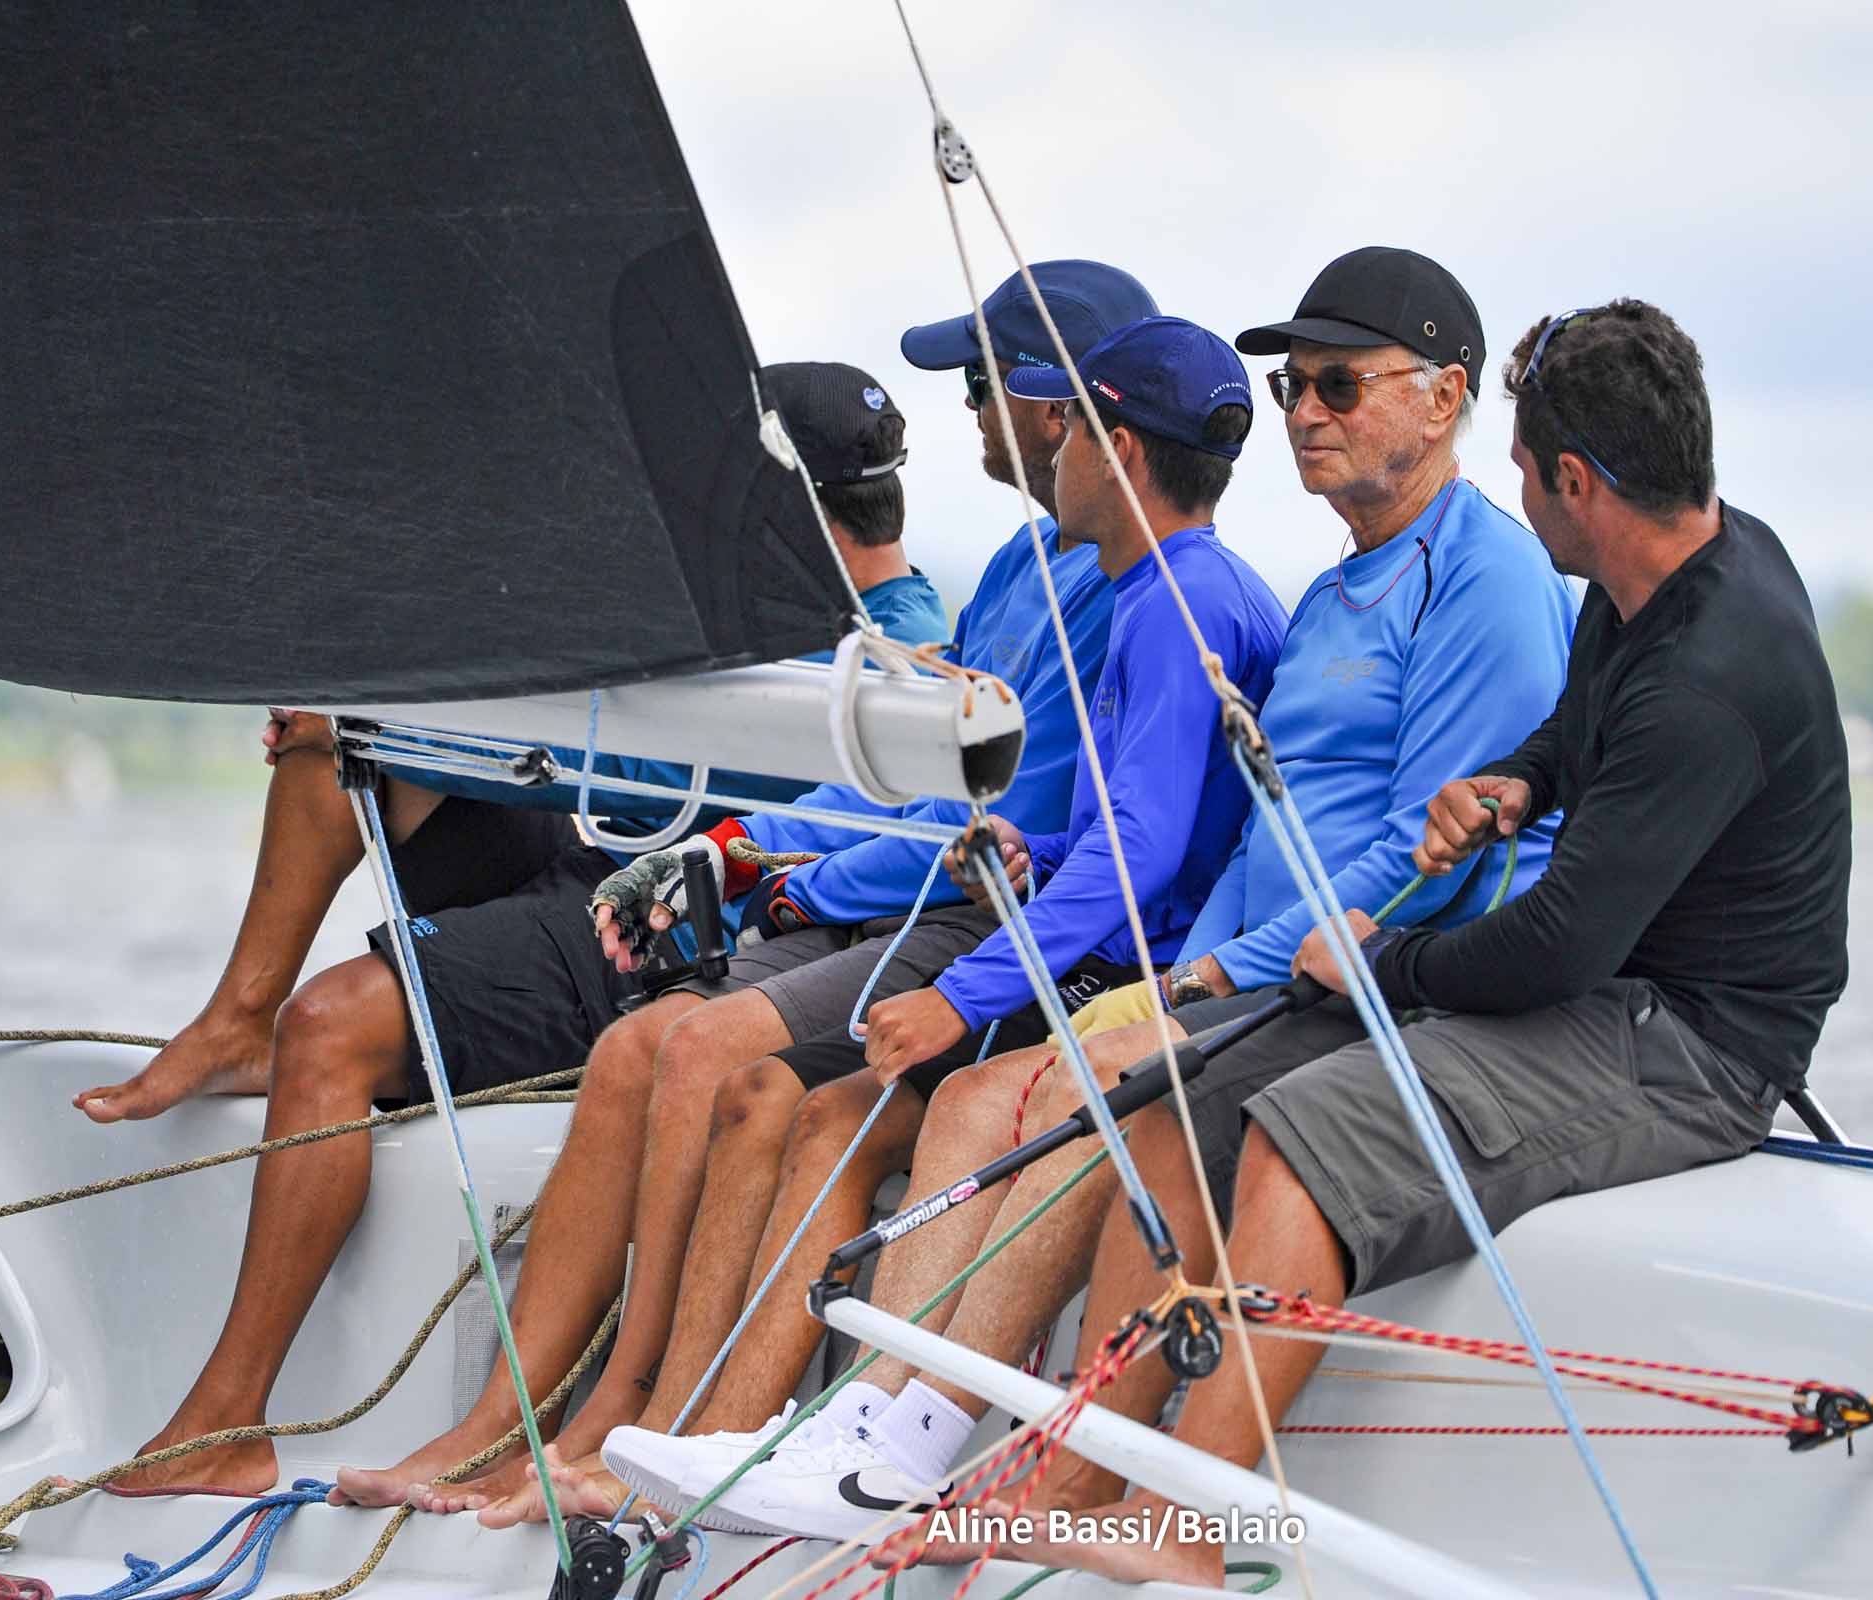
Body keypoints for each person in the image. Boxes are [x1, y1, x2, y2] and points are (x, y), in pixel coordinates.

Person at [609, 247, 1581, 1544]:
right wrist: (1172, 949)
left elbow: (1423, 847)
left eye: (1337, 384)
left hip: (1338, 975)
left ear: (1444, 395)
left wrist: (1206, 971)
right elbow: (1244, 839)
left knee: (1059, 1087)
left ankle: (921, 1443)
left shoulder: (1480, 575)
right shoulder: (1329, 589)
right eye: (1292, 385)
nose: (1305, 411)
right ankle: (867, 1430)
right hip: (1235, 959)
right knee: (968, 1097)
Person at [965, 298, 1854, 1590]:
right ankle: (1068, 1483)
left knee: (1304, 1134)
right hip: (1602, 987)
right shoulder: (1657, 568)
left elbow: (1554, 948)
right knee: (1177, 1095)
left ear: (1573, 482)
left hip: (1689, 1044)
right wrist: (1517, 781)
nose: (1512, 489)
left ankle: (1189, 1529)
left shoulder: (1708, 677)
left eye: (1522, 467)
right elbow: (1578, 732)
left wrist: (1372, 961)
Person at [329, 263, 1160, 1518]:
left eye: (982, 385)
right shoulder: (1020, 562)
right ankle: (502, 1422)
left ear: (1056, 404)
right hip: (890, 893)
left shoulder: (1105, 592)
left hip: (973, 919)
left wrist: (788, 873)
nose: (970, 412)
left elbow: (996, 820)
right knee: (633, 1050)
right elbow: (908, 781)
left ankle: (626, 1416)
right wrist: (746, 847)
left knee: (704, 1052)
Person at [100, 360, 951, 1495]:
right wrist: (375, 716)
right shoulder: (759, 607)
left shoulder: (891, 656)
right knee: (330, 736)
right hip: (599, 847)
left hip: (665, 917)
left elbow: (675, 786)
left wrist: (420, 733)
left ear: (784, 508)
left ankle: (226, 1427)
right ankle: (231, 1019)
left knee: (332, 1026)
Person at [510, 313, 1292, 1531]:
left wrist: (958, 995)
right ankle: (726, 1440)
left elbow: (1137, 857)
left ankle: (811, 1436)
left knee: (842, 1096)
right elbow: (1122, 831)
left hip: (1118, 970)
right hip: (1094, 941)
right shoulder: (1168, 588)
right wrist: (1021, 861)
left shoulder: (1169, 601)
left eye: (1069, 430)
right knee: (820, 1109)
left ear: (1120, 448)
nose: (1048, 448)